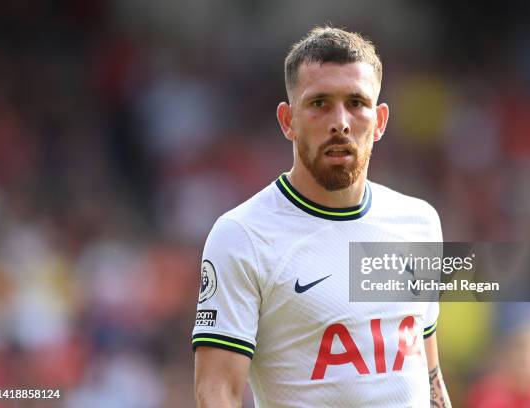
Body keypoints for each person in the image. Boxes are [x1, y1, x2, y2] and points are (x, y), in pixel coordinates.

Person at [192, 26, 451, 407]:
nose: (340, 122)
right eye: (319, 104)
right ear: (288, 121)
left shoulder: (420, 222)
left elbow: (428, 372)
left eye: (356, 103)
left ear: (379, 121)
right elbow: (217, 391)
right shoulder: (242, 235)